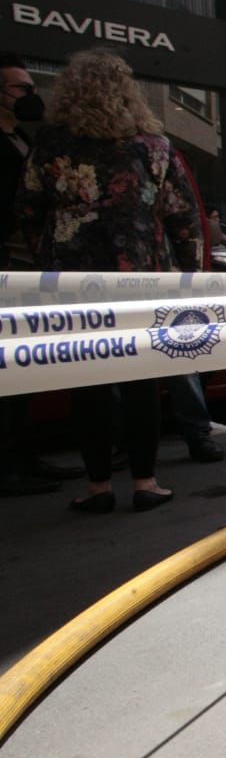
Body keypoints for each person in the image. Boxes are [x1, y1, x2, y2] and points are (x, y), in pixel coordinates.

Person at [16, 49, 202, 513]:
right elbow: (184, 217)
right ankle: (145, 481)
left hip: (72, 279)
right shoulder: (153, 146)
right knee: (141, 380)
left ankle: (98, 486)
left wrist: (49, 254)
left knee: (87, 380)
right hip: (138, 275)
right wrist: (188, 273)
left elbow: (27, 209)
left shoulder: (51, 143)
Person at [0, 52, 80, 496]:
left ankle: (24, 459)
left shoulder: (23, 141)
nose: (31, 96)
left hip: (30, 270)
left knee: (22, 373)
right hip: (9, 270)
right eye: (21, 88)